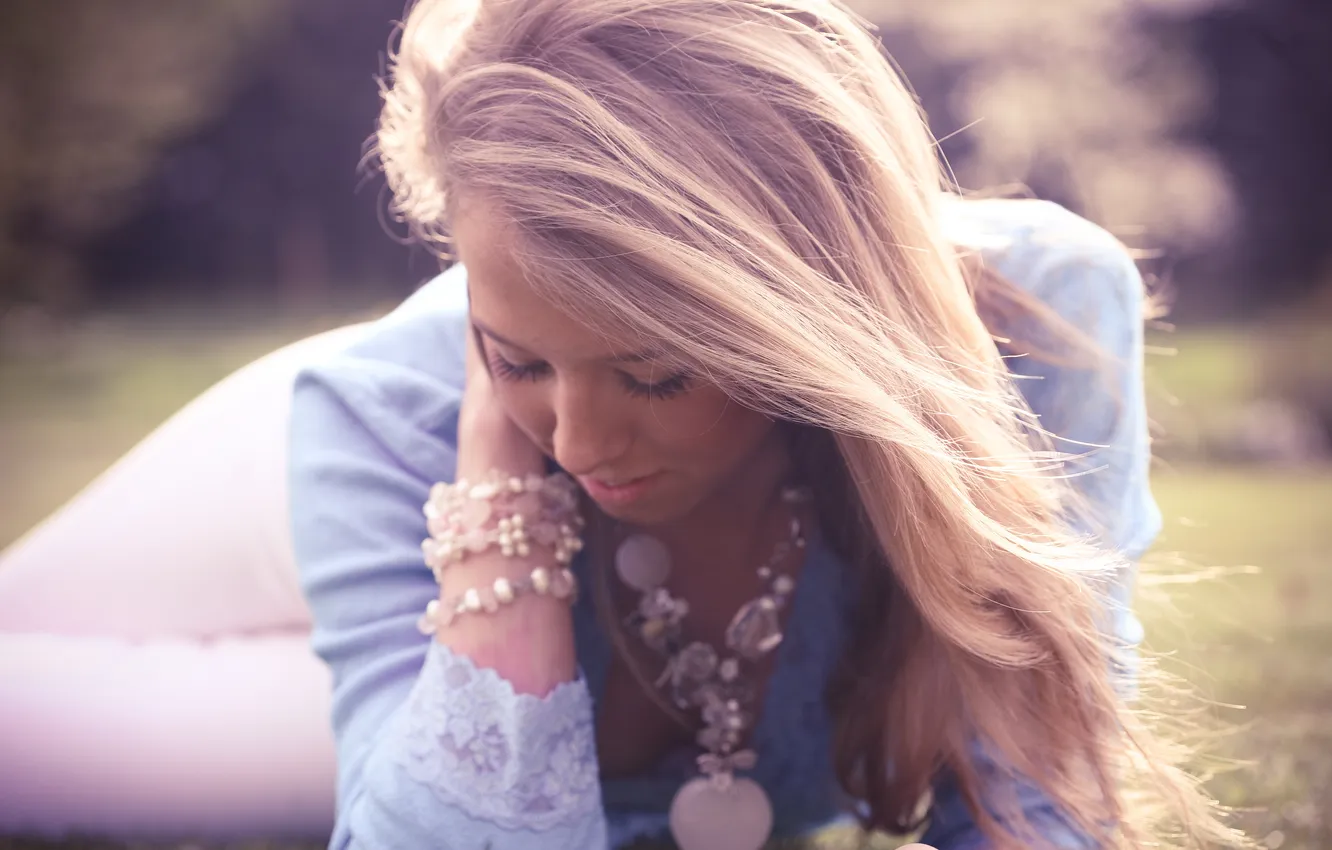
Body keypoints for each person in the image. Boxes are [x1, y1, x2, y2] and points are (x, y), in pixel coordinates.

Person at [287, 1, 1244, 848]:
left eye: (655, 377)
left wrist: (533, 364)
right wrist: (500, 506)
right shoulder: (377, 415)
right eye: (519, 363)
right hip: (248, 542)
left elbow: (1039, 803)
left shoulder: (1041, 318)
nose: (576, 448)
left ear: (814, 308)